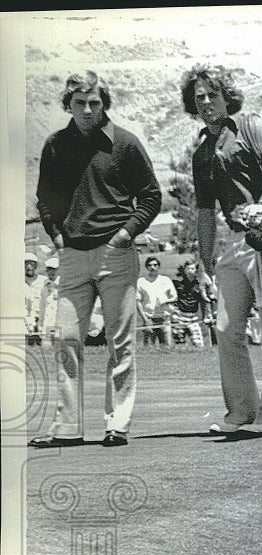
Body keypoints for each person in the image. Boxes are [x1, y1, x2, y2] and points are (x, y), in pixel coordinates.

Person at [30, 70, 162, 448]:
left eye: (95, 103)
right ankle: (68, 427)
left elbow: (150, 196)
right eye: (79, 104)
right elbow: (45, 198)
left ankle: (116, 424)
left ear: (104, 104)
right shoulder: (55, 145)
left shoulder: (125, 143)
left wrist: (125, 235)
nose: (87, 111)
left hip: (115, 253)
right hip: (72, 253)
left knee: (120, 344)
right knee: (66, 340)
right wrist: (57, 237)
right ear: (67, 105)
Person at [181, 64, 262, 436]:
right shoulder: (201, 154)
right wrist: (204, 260)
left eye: (213, 95)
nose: (207, 102)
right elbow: (203, 213)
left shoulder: (251, 126)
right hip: (230, 243)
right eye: (199, 97)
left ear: (227, 96)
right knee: (227, 327)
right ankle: (241, 412)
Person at [136, 255, 177, 347]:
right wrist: (145, 319)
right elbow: (137, 302)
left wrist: (164, 301)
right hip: (149, 318)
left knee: (167, 347)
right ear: (147, 267)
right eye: (150, 265)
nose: (152, 267)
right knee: (149, 347)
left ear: (158, 266)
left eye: (155, 265)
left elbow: (174, 297)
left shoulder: (166, 280)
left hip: (164, 318)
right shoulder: (141, 281)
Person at [172, 258, 210, 348]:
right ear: (184, 270)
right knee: (179, 343)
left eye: (192, 269)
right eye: (188, 269)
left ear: (196, 270)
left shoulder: (199, 285)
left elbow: (205, 300)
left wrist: (207, 315)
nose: (190, 271)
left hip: (193, 316)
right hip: (179, 316)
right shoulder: (177, 284)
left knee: (199, 343)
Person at [24, 252, 46, 345]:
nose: (29, 267)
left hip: (42, 316)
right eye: (26, 264)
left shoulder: (44, 281)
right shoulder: (17, 281)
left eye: (32, 264)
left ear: (36, 266)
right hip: (25, 317)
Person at [38, 256, 60, 342]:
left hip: (61, 320)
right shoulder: (44, 285)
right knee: (46, 345)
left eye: (54, 269)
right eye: (49, 269)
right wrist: (40, 323)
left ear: (59, 270)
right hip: (48, 320)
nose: (51, 272)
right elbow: (42, 306)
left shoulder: (64, 284)